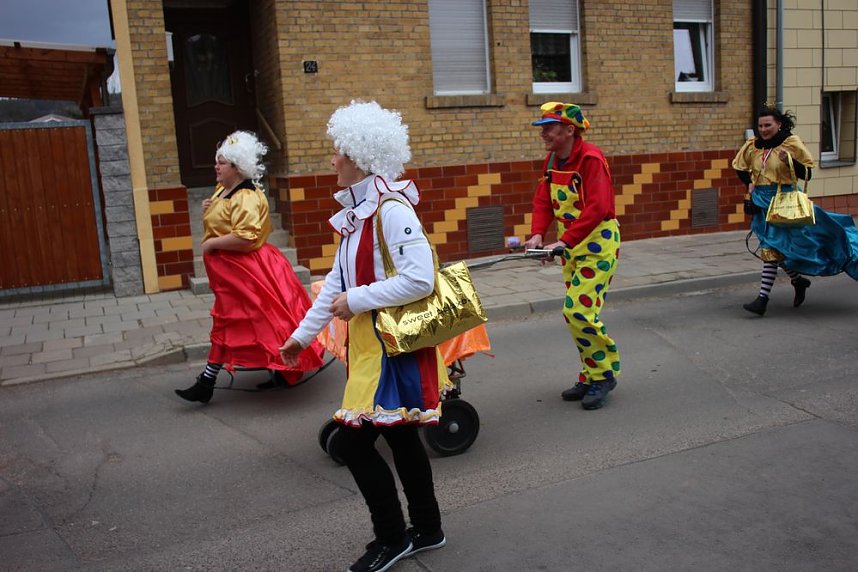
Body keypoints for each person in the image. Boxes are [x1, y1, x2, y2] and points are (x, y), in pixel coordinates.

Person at [279, 101, 448, 572]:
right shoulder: (358, 216)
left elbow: (421, 279)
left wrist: (357, 301)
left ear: (360, 154)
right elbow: (334, 284)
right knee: (401, 438)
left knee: (356, 444)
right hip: (372, 349)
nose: (332, 160)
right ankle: (429, 529)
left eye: (338, 151)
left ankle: (392, 539)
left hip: (393, 351)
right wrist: (300, 337)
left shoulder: (391, 210)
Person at [175, 131, 324, 403]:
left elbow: (247, 236)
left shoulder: (247, 196)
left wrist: (210, 245)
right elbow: (224, 220)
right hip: (231, 272)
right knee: (237, 322)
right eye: (216, 162)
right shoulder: (224, 190)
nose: (216, 167)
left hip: (248, 270)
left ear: (237, 167)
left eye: (222, 163)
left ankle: (215, 380)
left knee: (263, 322)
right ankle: (218, 379)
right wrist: (209, 207)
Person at [524, 102, 621, 410]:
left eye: (549, 128)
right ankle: (590, 374)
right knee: (576, 314)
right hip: (572, 246)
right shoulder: (553, 160)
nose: (544, 134)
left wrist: (563, 241)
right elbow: (543, 200)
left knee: (578, 311)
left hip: (599, 243)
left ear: (569, 130)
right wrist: (539, 233)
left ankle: (604, 375)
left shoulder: (591, 158)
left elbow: (599, 207)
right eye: (542, 128)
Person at [733, 106, 858, 316]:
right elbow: (739, 166)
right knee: (773, 247)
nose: (763, 129)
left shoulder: (791, 143)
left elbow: (807, 173)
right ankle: (798, 281)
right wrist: (750, 186)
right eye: (760, 125)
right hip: (762, 202)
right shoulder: (753, 145)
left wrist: (789, 161)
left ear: (779, 124)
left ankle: (763, 299)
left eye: (768, 125)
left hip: (785, 201)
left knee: (773, 247)